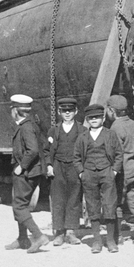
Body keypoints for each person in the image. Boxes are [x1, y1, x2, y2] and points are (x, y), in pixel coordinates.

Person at [75, 103, 123, 254]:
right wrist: (82, 173)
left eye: (97, 117)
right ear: (87, 120)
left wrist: (114, 171)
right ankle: (96, 241)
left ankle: (110, 240)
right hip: (89, 175)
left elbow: (119, 155)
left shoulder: (110, 134)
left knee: (109, 206)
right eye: (91, 117)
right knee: (92, 206)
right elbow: (76, 157)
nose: (94, 119)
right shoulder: (82, 137)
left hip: (107, 174)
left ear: (103, 118)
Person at [5, 94, 50, 253]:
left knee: (18, 206)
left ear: (15, 111)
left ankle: (38, 236)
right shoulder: (29, 124)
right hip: (31, 171)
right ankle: (22, 239)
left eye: (12, 109)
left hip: (28, 172)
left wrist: (21, 167)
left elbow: (33, 150)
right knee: (21, 203)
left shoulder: (26, 127)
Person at [107, 94, 134, 245]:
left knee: (117, 202)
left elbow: (114, 153)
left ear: (112, 111)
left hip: (121, 173)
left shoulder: (115, 127)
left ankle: (118, 237)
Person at [44, 96, 83, 246]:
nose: (67, 113)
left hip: (74, 166)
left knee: (74, 198)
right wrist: (49, 165)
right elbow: (46, 150)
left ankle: (71, 232)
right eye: (64, 110)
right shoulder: (53, 130)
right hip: (58, 166)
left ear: (76, 111)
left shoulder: (82, 130)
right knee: (58, 198)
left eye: (70, 110)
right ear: (59, 112)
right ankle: (59, 232)